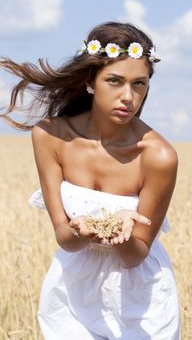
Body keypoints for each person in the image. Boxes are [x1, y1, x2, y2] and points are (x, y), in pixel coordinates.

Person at [0, 22, 180, 339]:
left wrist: (123, 233)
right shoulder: (50, 137)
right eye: (115, 81)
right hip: (71, 295)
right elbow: (65, 239)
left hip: (140, 303)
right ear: (90, 82)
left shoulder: (159, 156)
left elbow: (136, 255)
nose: (128, 96)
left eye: (139, 84)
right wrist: (80, 230)